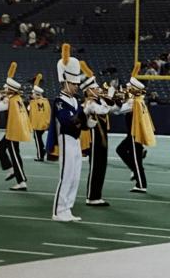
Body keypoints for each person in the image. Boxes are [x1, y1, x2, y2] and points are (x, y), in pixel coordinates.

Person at [47, 44, 92, 221]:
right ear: (65, 82)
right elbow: (67, 121)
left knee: (75, 176)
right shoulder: (59, 101)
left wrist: (88, 119)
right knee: (66, 176)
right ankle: (58, 210)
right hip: (65, 139)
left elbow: (82, 125)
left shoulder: (75, 101)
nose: (77, 87)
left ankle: (68, 208)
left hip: (75, 140)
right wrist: (83, 113)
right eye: (74, 84)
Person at [116, 62, 156, 193]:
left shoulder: (133, 101)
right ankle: (135, 172)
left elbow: (119, 111)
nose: (127, 89)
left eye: (129, 87)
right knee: (121, 150)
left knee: (136, 159)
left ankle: (141, 184)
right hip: (134, 133)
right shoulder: (138, 100)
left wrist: (115, 100)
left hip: (134, 133)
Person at [80, 61, 116, 206]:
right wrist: (110, 97)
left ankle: (97, 195)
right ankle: (91, 196)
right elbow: (103, 110)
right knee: (96, 166)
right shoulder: (90, 102)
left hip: (102, 137)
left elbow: (113, 109)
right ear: (88, 91)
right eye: (95, 88)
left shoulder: (99, 100)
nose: (98, 89)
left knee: (101, 166)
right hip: (94, 138)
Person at [0, 62, 32, 191]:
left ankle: (21, 181)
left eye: (6, 88)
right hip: (14, 130)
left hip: (14, 131)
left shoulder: (10, 99)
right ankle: (10, 170)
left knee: (15, 155)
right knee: (0, 148)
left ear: (11, 89)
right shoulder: (17, 98)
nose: (4, 89)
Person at [28, 74, 51, 162]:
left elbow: (31, 111)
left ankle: (40, 155)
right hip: (44, 123)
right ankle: (43, 150)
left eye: (33, 94)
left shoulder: (34, 102)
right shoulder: (46, 101)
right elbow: (49, 112)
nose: (32, 95)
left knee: (37, 138)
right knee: (38, 138)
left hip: (37, 124)